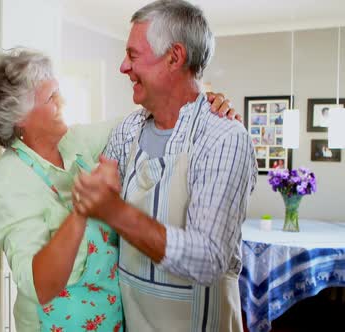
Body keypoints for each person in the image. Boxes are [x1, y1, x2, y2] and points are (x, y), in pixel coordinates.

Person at [0, 49, 238, 331]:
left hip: (111, 320)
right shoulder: (9, 182)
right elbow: (40, 286)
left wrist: (199, 105)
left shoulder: (75, 142)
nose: (63, 101)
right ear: (20, 118)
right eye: (52, 97)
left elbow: (143, 120)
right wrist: (83, 209)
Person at [72, 1, 258, 331]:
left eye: (133, 55)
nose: (122, 67)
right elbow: (98, 214)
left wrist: (114, 211)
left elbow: (210, 259)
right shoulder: (126, 131)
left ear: (174, 57)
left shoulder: (224, 136)